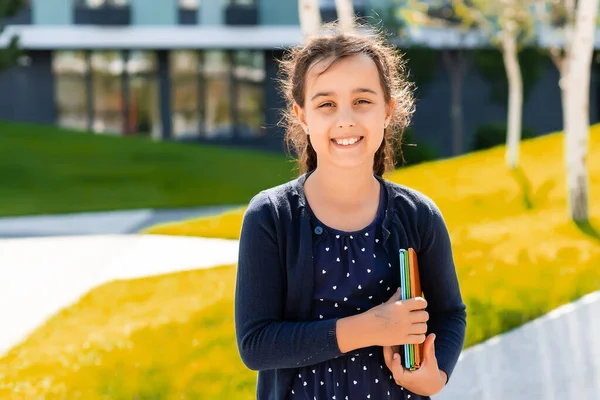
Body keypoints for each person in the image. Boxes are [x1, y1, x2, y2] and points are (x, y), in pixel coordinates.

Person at [234, 21, 467, 400]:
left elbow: (450, 313)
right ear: (302, 115)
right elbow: (257, 344)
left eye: (362, 100)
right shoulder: (271, 217)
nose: (346, 118)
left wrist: (435, 374)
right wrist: (373, 327)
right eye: (326, 104)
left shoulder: (418, 216)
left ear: (388, 110)